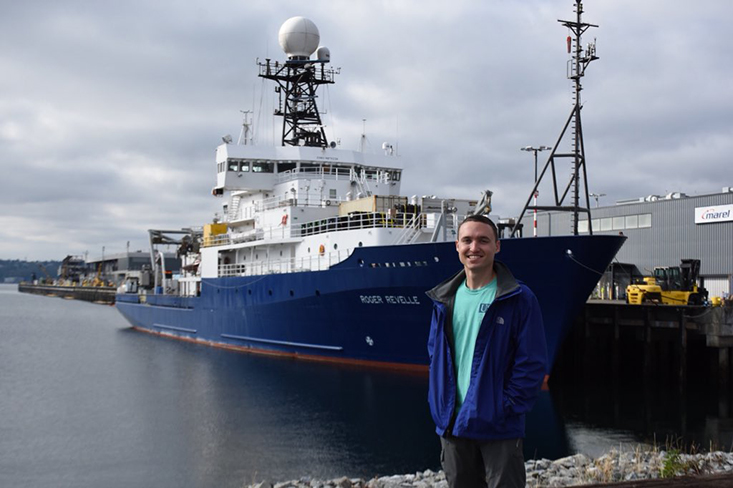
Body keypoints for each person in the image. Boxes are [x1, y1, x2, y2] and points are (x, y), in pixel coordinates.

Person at [426, 214, 547, 488]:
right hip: (452, 422)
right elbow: (435, 356)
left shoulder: (519, 298)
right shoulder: (444, 300)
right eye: (467, 240)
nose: (474, 247)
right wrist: (438, 403)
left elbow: (532, 361)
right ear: (456, 246)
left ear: (497, 246)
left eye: (483, 240)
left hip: (499, 426)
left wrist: (507, 406)